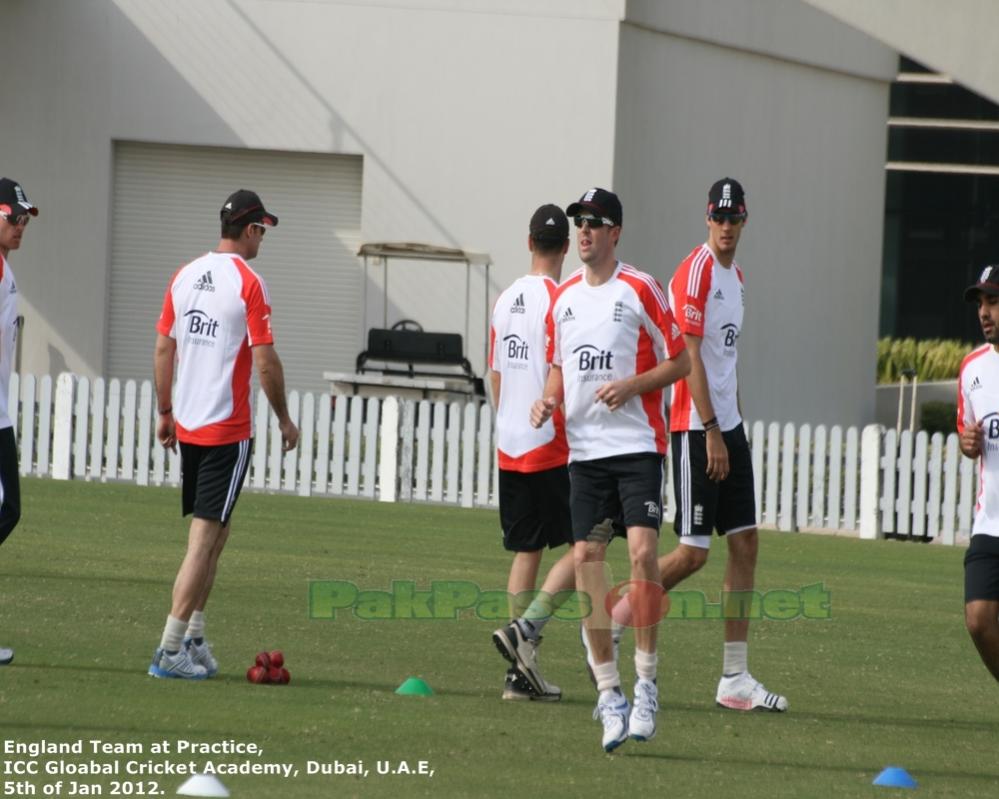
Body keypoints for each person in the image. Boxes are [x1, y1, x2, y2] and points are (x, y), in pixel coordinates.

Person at [531, 188, 689, 751]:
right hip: (585, 458)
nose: (584, 231)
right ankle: (608, 694)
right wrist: (549, 399)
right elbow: (558, 366)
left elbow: (681, 360)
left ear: (615, 231)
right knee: (586, 561)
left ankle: (646, 683)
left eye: (595, 222)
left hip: (638, 449)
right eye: (579, 222)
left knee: (644, 553)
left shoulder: (640, 287)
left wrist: (633, 385)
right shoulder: (563, 297)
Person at [149, 189, 299, 679]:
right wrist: (283, 417)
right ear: (251, 229)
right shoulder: (250, 283)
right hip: (226, 429)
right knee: (203, 540)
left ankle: (192, 636)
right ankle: (170, 649)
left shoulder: (185, 274)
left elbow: (163, 349)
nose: (264, 239)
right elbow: (265, 361)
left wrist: (166, 411)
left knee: (217, 534)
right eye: (264, 230)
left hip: (190, 426)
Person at [660, 177, 787, 711]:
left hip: (727, 427)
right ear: (707, 218)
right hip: (695, 427)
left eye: (735, 219)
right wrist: (712, 430)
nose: (728, 227)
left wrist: (732, 427)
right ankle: (611, 619)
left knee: (746, 542)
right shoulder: (697, 270)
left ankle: (734, 678)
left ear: (744, 221)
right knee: (692, 554)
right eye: (720, 218)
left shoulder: (737, 278)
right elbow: (688, 359)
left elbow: (725, 361)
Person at [490, 205, 577, 702]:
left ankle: (521, 673)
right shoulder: (561, 299)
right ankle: (531, 632)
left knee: (527, 550)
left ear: (529, 243)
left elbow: (498, 375)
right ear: (566, 246)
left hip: (511, 444)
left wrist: (512, 421)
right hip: (552, 444)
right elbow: (564, 372)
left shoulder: (505, 300)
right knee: (591, 540)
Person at [0, 178, 38, 667]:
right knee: (7, 509)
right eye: (15, 217)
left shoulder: (5, 270)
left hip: (0, 414)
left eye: (26, 219)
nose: (22, 226)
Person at [957, 264, 999, 683]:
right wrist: (967, 444)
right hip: (990, 524)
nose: (985, 312)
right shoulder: (971, 369)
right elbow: (966, 431)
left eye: (994, 301)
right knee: (978, 620)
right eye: (981, 303)